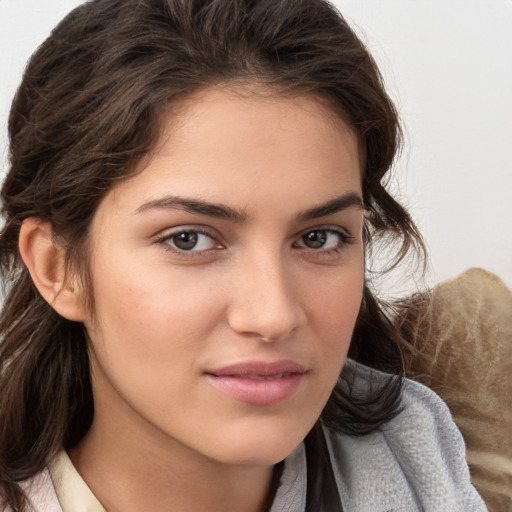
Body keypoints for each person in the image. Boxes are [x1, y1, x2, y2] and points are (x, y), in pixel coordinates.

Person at [0, 0, 486, 511]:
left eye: (319, 237)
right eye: (188, 239)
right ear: (58, 269)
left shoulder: (413, 452)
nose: (273, 315)